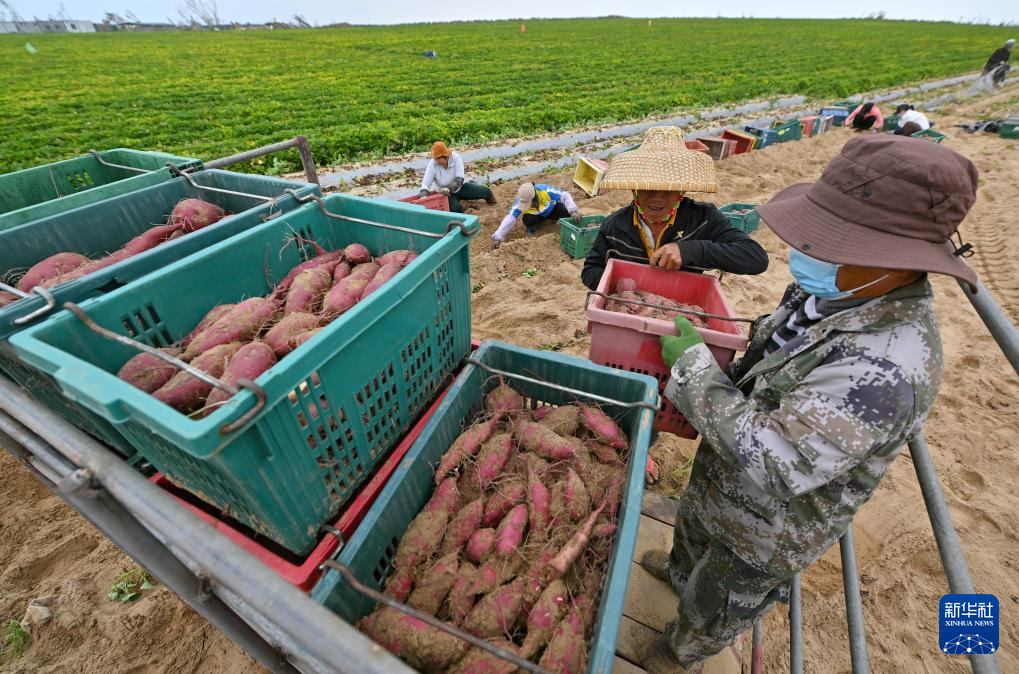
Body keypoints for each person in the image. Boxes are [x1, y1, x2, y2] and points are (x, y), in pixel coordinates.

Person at [640, 134, 979, 673]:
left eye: (830, 241)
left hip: (768, 522)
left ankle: (677, 652)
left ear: (891, 257)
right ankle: (681, 571)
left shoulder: (888, 367)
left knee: (720, 600)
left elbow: (779, 459)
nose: (807, 252)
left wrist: (693, 368)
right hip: (725, 470)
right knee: (693, 531)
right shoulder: (840, 287)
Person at [581, 126, 768, 291]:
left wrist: (689, 251)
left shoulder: (703, 218)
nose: (657, 197)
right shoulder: (614, 225)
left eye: (669, 188)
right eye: (649, 187)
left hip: (682, 305)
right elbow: (591, 270)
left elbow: (756, 258)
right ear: (634, 188)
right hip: (631, 305)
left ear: (682, 190)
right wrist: (624, 284)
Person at [491, 182, 581, 249]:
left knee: (562, 209)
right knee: (527, 220)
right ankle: (534, 228)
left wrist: (573, 211)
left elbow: (565, 195)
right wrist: (498, 237)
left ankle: (572, 226)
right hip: (535, 216)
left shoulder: (545, 190)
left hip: (550, 211)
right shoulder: (520, 200)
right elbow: (511, 217)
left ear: (534, 199)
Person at [418, 141, 496, 213]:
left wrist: (448, 188)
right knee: (455, 209)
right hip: (445, 195)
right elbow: (426, 183)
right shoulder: (432, 164)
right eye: (434, 158)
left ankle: (487, 197)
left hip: (460, 188)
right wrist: (423, 196)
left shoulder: (455, 158)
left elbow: (460, 179)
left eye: (436, 158)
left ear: (443, 156)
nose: (435, 160)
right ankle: (466, 205)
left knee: (486, 191)